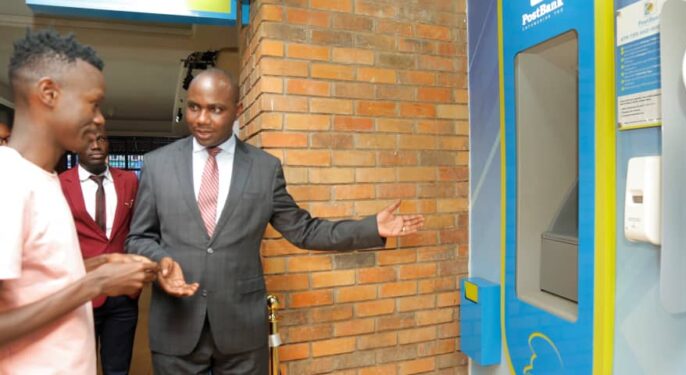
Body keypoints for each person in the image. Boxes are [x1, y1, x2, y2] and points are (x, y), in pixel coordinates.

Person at [126, 68, 425, 374]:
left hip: (241, 331)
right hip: (176, 327)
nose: (202, 119)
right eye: (194, 107)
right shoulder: (156, 165)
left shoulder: (264, 169)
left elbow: (304, 230)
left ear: (237, 111)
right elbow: (138, 238)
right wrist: (161, 261)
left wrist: (371, 227)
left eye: (216, 109)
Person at [0, 29, 158, 374]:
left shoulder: (44, 179)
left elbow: (35, 284)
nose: (100, 118)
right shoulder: (7, 182)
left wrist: (98, 267)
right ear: (48, 93)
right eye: (93, 103)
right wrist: (95, 284)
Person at [60, 127, 141, 375]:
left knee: (118, 369)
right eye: (88, 140)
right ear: (75, 146)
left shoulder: (129, 181)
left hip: (123, 295)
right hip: (80, 293)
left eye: (102, 139)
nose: (96, 145)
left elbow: (138, 227)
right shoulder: (60, 183)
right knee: (76, 368)